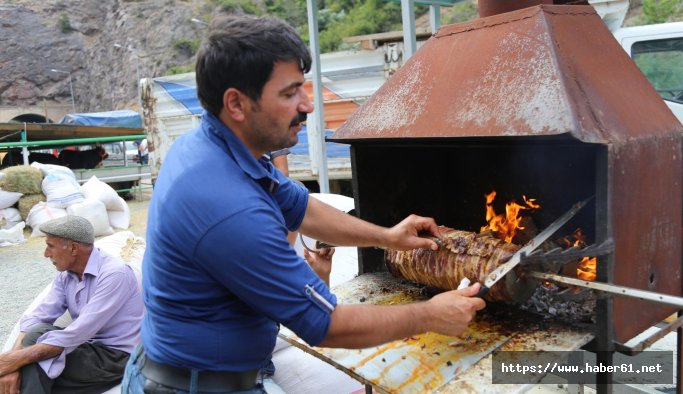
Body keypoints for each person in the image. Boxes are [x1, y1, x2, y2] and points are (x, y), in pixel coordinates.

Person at [122, 14, 485, 394]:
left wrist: (389, 237)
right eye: (289, 93)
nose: (308, 105)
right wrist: (430, 315)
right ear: (237, 104)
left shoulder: (213, 148)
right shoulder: (231, 209)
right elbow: (325, 325)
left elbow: (303, 209)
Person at [0, 215, 144, 394]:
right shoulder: (66, 274)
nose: (46, 254)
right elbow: (39, 316)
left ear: (74, 248)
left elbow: (78, 332)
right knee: (36, 333)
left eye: (50, 246)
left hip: (115, 357)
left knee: (35, 364)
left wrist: (17, 359)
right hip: (85, 348)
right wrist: (12, 361)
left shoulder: (114, 274)